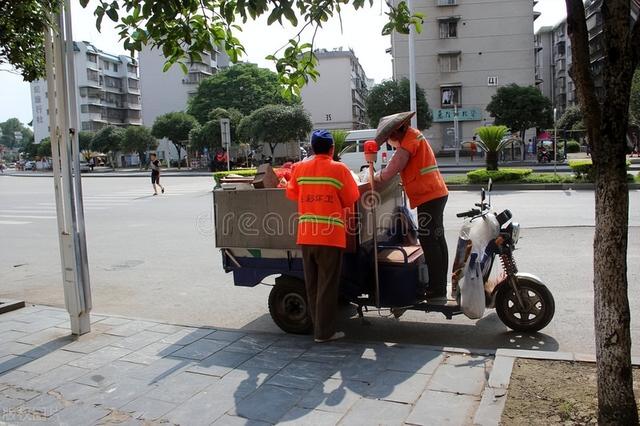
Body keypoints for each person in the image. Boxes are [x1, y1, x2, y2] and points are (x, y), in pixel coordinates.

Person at [286, 130, 360, 343]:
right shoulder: (339, 169)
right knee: (327, 286)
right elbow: (351, 198)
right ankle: (324, 333)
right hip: (330, 238)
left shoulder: (300, 169)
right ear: (331, 149)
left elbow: (291, 193)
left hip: (307, 236)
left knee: (312, 285)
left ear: (311, 148)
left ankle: (318, 327)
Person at [374, 112, 449, 298]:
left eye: (390, 137)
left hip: (429, 195)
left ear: (397, 131)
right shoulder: (413, 135)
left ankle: (436, 287)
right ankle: (439, 283)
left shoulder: (408, 142)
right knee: (437, 239)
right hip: (435, 193)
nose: (390, 141)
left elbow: (392, 169)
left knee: (430, 241)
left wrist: (375, 178)